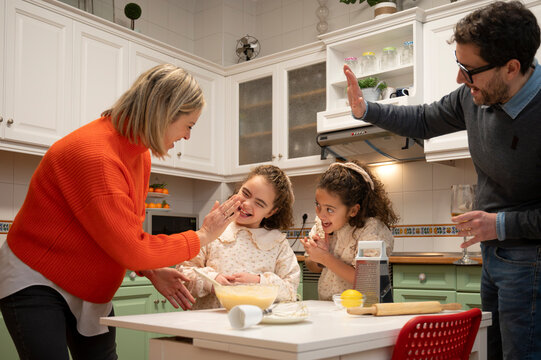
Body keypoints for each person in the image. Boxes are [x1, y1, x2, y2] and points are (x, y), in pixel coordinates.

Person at [0, 64, 242, 360]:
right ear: (165, 112)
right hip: (37, 276)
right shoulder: (96, 154)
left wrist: (150, 269)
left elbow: (121, 232)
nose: (189, 137)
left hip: (89, 285)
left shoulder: (138, 154)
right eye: (189, 125)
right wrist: (203, 235)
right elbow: (132, 248)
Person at [343, 2, 540, 359]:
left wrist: (500, 223)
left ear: (512, 68)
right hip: (492, 257)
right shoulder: (474, 96)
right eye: (458, 66)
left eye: (469, 70)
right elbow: (423, 120)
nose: (460, 79)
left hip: (532, 263)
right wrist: (366, 110)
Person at [149, 165, 300, 310]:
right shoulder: (213, 230)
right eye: (245, 193)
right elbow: (184, 272)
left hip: (258, 327)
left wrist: (259, 282)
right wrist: (211, 281)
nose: (246, 204)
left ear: (271, 211)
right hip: (209, 324)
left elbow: (291, 290)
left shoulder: (278, 243)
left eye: (259, 203)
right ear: (239, 188)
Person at [301, 160, 398, 301]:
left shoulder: (371, 230)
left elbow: (366, 280)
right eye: (318, 205)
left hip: (365, 308)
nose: (321, 214)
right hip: (328, 305)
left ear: (353, 210)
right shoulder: (322, 225)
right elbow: (310, 264)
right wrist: (318, 258)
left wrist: (325, 257)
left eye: (329, 209)